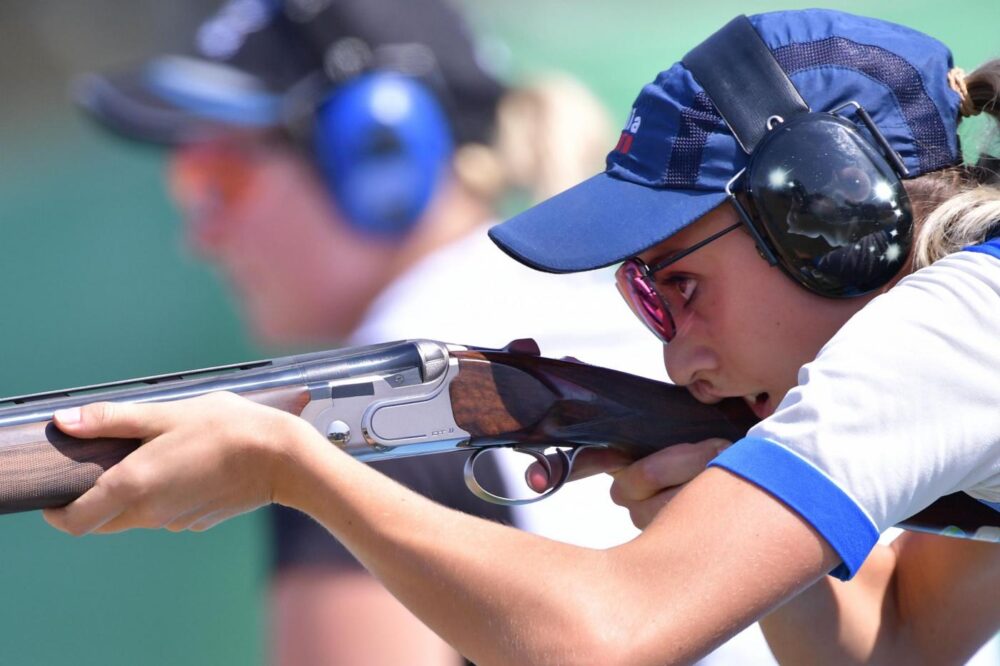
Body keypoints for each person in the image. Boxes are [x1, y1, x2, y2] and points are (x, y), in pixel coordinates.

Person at [47, 9, 1000, 665]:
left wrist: (294, 471)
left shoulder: (954, 326)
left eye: (680, 286)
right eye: (644, 296)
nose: (676, 360)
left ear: (832, 223)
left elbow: (608, 637)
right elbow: (902, 638)